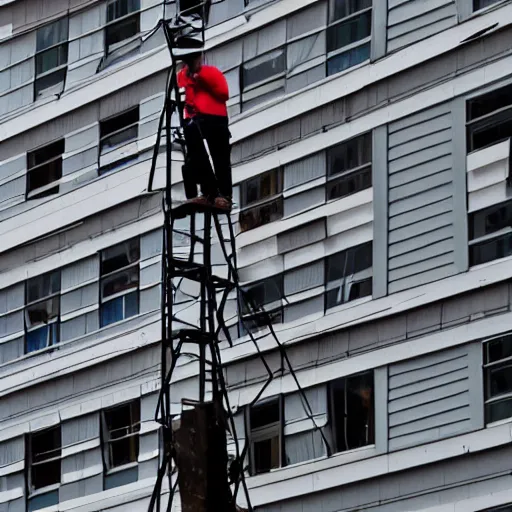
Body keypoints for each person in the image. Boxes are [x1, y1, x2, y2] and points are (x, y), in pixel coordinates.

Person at [178, 52, 232, 210]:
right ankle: (209, 192)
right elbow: (181, 95)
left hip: (215, 117)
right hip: (193, 119)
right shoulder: (181, 76)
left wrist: (199, 78)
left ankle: (224, 195)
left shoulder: (210, 72)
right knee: (196, 156)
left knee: (219, 157)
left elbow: (224, 93)